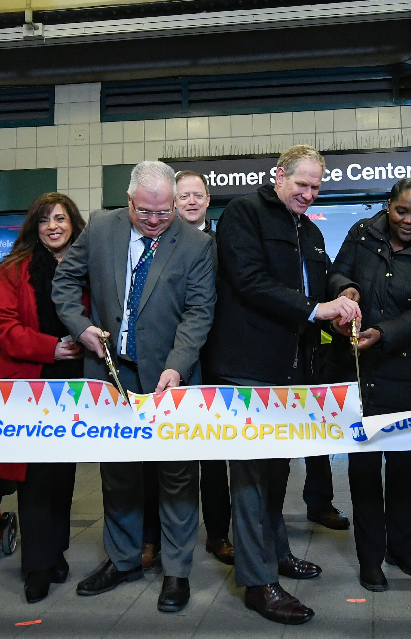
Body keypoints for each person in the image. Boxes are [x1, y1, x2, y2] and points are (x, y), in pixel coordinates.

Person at [203, 145, 360, 624]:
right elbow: (248, 281)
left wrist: (342, 293)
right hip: (247, 366)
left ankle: (275, 551)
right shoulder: (243, 214)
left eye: (316, 187)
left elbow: (321, 279)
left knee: (276, 470)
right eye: (302, 184)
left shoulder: (309, 230)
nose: (309, 194)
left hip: (292, 370)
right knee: (250, 476)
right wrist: (317, 311)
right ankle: (257, 582)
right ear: (279, 176)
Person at [53, 161, 216, 614]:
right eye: (146, 212)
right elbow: (65, 281)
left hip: (169, 377)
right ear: (129, 202)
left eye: (164, 213)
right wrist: (81, 326)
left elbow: (199, 312)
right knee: (118, 474)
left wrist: (178, 367)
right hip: (112, 372)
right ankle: (124, 560)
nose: (155, 221)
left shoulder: (196, 243)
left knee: (178, 477)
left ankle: (177, 572)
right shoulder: (102, 227)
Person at [327, 179, 411, 592]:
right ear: (389, 206)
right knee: (363, 467)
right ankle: (370, 557)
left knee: (404, 466)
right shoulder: (363, 232)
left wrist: (382, 332)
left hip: (406, 371)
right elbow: (338, 271)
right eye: (402, 211)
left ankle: (402, 547)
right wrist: (345, 289)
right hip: (357, 370)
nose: (410, 221)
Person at [0, 193, 87, 603]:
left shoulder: (88, 265)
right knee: (35, 477)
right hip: (32, 381)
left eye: (60, 218)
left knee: (63, 474)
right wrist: (50, 348)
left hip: (77, 383)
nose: (53, 226)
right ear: (34, 226)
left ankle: (56, 552)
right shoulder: (15, 270)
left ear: (73, 223)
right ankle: (37, 566)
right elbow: (2, 325)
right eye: (45, 220)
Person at [173, 170, 234, 565]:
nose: (191, 201)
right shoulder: (160, 244)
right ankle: (162, 538)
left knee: (214, 456)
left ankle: (217, 535)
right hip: (172, 361)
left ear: (208, 200)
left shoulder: (224, 242)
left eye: (198, 195)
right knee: (170, 457)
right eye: (184, 196)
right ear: (173, 202)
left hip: (215, 360)